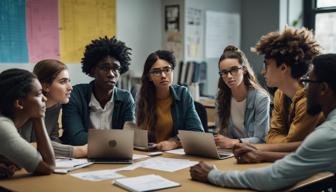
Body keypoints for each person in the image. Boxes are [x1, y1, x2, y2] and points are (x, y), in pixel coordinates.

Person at [189, 53, 336, 191]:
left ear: (323, 88)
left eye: (308, 82)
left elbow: (272, 178)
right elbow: (301, 151)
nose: (305, 89)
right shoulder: (281, 96)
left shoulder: (328, 134)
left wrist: (212, 175)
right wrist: (261, 152)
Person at [232, 27, 325, 163]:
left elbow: (290, 143)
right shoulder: (280, 94)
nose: (263, 72)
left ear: (283, 68)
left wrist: (258, 148)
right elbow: (272, 137)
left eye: (267, 65)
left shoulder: (308, 100)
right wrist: (279, 143)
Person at [61, 36, 135, 145]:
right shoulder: (76, 94)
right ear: (92, 71)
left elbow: (130, 137)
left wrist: (119, 140)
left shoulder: (126, 98)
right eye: (104, 68)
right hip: (79, 157)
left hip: (115, 156)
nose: (111, 74)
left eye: (116, 68)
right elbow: (76, 138)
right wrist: (116, 140)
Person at [136, 50, 204, 151]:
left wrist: (174, 143)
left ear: (172, 71)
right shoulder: (141, 97)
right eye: (156, 72)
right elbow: (133, 133)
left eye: (167, 69)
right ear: (149, 76)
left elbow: (197, 132)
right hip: (147, 154)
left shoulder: (182, 94)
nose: (163, 75)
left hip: (172, 155)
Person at [19, 59, 87, 158]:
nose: (70, 87)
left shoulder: (56, 106)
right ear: (45, 86)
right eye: (63, 82)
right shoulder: (25, 107)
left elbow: (53, 138)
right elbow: (27, 146)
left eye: (69, 81)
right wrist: (78, 151)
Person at [0, 69, 55, 177]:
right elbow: (48, 166)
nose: (44, 98)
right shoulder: (3, 126)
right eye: (39, 94)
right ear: (19, 103)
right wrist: (39, 118)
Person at [214, 45, 270, 148]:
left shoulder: (261, 98)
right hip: (229, 153)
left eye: (234, 70)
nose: (229, 76)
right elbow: (221, 134)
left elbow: (261, 139)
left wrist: (234, 142)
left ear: (243, 69)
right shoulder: (220, 97)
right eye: (224, 72)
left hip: (252, 152)